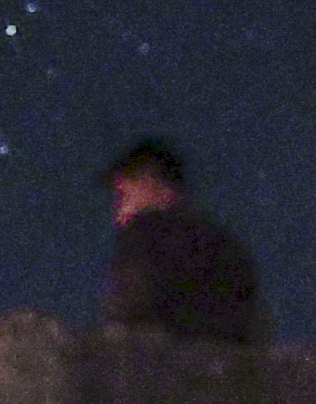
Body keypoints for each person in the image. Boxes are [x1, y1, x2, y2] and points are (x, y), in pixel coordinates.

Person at [100, 138, 265, 344]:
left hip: (163, 361)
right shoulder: (226, 244)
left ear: (150, 185)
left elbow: (130, 303)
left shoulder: (146, 232)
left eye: (123, 196)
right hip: (225, 364)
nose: (118, 213)